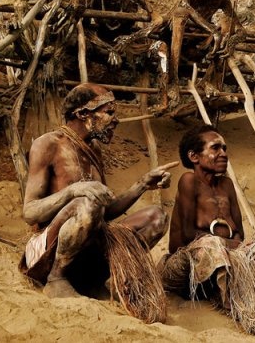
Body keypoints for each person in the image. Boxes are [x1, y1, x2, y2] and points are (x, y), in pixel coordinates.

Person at [19, 83, 178, 299]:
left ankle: (98, 279)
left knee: (157, 217)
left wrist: (142, 184)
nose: (116, 120)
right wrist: (73, 191)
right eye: (109, 112)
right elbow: (30, 212)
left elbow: (104, 211)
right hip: (48, 252)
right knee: (86, 201)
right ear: (83, 114)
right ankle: (57, 278)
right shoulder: (48, 144)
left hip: (89, 249)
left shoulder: (93, 149)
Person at [160, 125, 255, 335]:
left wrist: (238, 249)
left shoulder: (227, 185)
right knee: (212, 244)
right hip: (189, 263)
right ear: (194, 156)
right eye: (215, 148)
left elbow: (239, 232)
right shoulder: (188, 181)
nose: (223, 153)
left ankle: (249, 296)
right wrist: (227, 245)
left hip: (229, 258)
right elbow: (188, 235)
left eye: (224, 148)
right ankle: (239, 303)